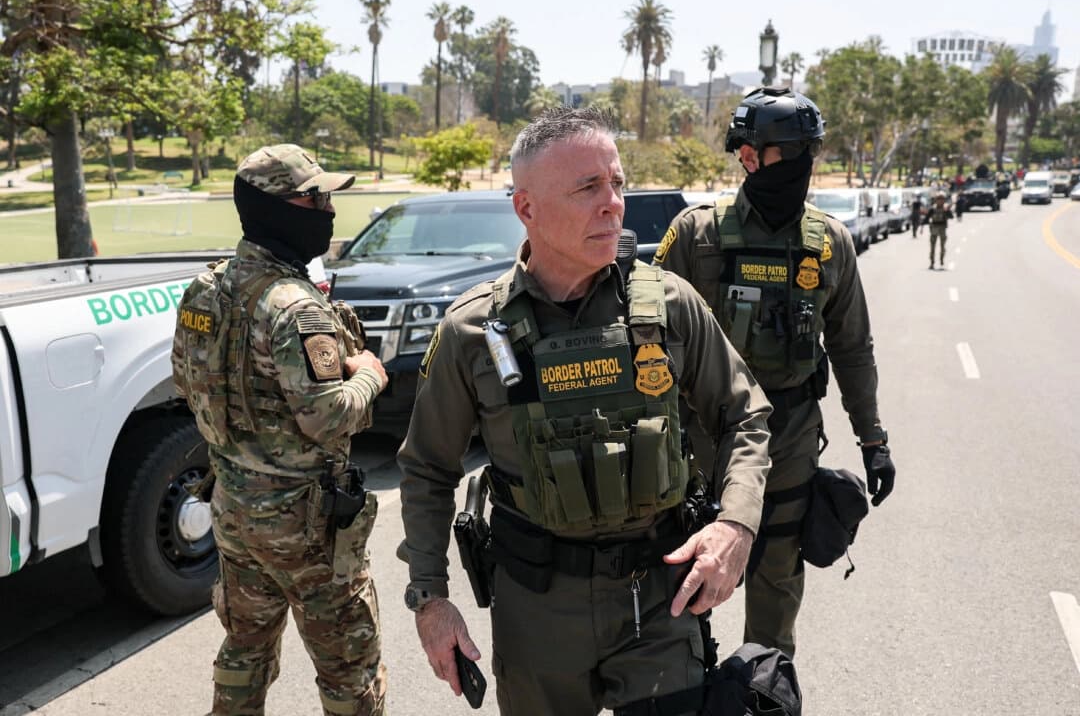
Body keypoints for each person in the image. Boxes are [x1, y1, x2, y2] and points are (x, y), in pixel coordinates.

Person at [396, 107, 772, 715]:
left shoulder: (669, 303)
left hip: (660, 599)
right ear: (526, 208)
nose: (613, 204)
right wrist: (430, 600)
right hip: (537, 609)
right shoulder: (473, 331)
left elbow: (745, 416)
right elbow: (427, 469)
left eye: (617, 183)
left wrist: (736, 526)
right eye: (588, 187)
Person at [653, 87, 895, 658]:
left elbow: (852, 348)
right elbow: (646, 343)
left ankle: (764, 687)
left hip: (789, 439)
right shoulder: (696, 234)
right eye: (751, 152)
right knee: (682, 582)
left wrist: (873, 439)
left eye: (802, 153)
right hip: (699, 443)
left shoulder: (829, 243)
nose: (751, 161)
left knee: (777, 584)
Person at [171, 144, 389, 716]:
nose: (327, 209)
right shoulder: (295, 308)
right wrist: (370, 375)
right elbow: (328, 415)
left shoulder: (205, 289)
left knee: (245, 650)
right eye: (313, 199)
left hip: (234, 511)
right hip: (306, 528)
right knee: (349, 672)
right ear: (275, 209)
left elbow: (186, 381)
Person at [927, 191, 953, 270]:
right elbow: (927, 217)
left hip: (942, 229)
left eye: (942, 199)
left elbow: (951, 217)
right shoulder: (933, 208)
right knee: (932, 247)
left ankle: (941, 260)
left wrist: (947, 211)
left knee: (942, 247)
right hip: (934, 229)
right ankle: (932, 262)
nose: (940, 201)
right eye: (939, 199)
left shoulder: (945, 208)